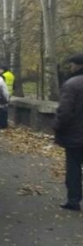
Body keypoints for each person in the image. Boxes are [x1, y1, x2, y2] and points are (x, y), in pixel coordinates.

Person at [52, 53, 83, 212]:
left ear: (78, 66)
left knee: (73, 168)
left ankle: (73, 199)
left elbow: (64, 112)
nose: (70, 67)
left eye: (72, 65)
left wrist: (57, 127)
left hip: (76, 136)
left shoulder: (71, 84)